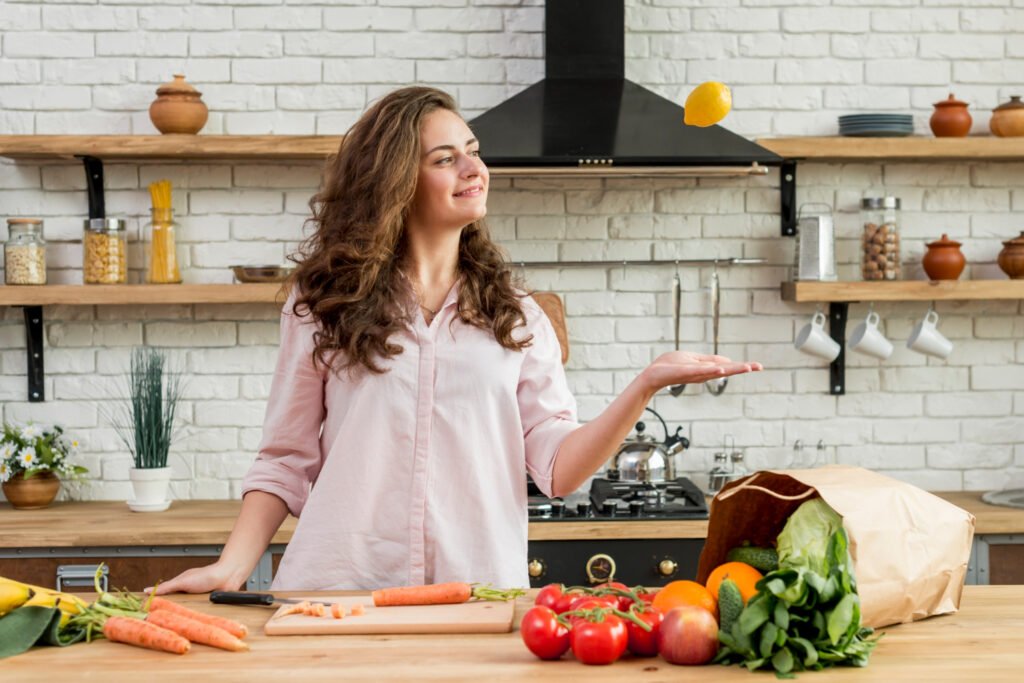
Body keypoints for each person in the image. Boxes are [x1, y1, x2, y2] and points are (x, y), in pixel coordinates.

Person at [152, 86, 762, 594]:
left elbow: (557, 470)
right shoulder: (323, 305)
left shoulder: (517, 317)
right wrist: (232, 566)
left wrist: (645, 383)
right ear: (395, 180)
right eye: (445, 159)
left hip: (476, 598)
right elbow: (285, 459)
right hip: (340, 593)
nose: (475, 168)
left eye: (473, 151)